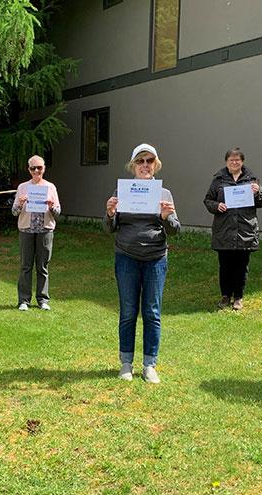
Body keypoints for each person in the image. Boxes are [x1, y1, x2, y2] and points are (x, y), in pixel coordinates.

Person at [104, 143, 180, 384]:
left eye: (149, 161)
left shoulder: (164, 194)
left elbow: (175, 230)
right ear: (133, 165)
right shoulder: (121, 191)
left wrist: (167, 218)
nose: (145, 165)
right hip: (126, 257)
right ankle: (126, 362)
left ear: (155, 165)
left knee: (152, 312)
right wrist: (109, 214)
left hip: (156, 259)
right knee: (128, 311)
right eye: (140, 161)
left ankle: (149, 364)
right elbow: (109, 228)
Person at [203, 147, 262, 310]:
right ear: (226, 162)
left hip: (245, 230)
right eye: (231, 160)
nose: (234, 162)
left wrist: (258, 191)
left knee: (241, 266)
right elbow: (207, 200)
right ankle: (225, 296)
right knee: (225, 266)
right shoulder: (218, 179)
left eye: (237, 160)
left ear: (242, 162)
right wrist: (217, 205)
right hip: (224, 230)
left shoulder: (252, 179)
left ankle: (238, 297)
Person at [12, 155, 61, 311]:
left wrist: (52, 206)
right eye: (33, 168)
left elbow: (58, 213)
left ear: (44, 168)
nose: (36, 171)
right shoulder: (22, 187)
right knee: (25, 266)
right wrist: (20, 203)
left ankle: (42, 299)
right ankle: (24, 300)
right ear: (29, 169)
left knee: (43, 266)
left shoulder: (51, 187)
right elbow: (14, 212)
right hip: (26, 230)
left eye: (39, 167)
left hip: (45, 231)